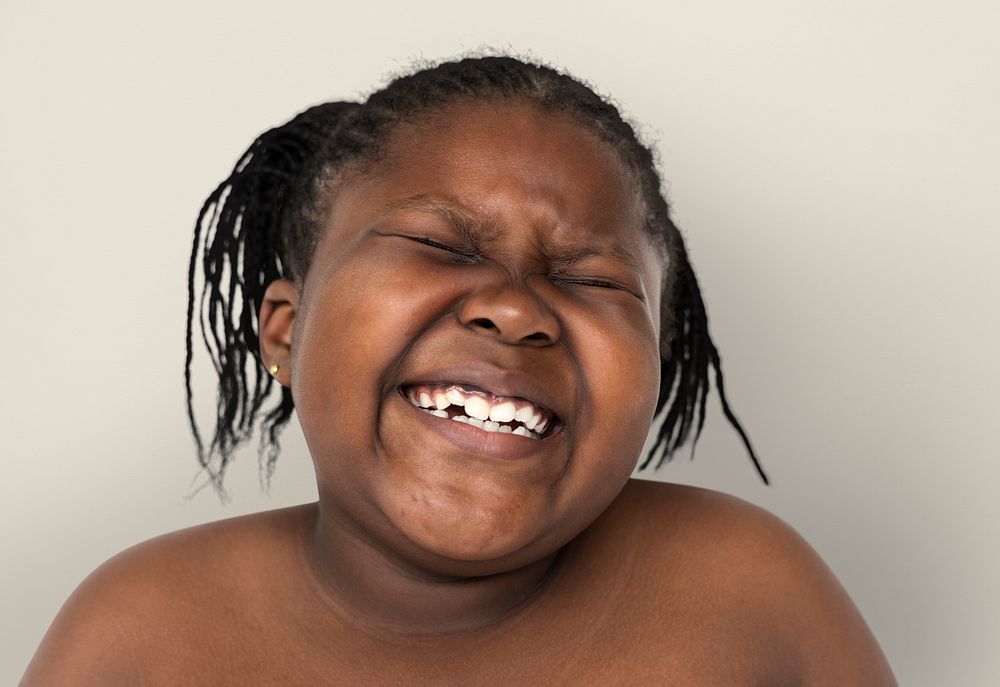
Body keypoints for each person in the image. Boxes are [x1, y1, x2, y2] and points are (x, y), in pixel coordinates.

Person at [21, 55, 896, 685]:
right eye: (441, 244)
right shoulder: (141, 630)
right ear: (286, 333)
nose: (514, 308)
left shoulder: (749, 590)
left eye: (592, 279)